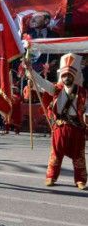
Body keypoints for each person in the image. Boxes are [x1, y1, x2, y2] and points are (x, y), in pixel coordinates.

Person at [26, 53, 87, 190]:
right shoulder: (55, 89)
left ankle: (80, 180)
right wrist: (30, 69)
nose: (66, 77)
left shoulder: (83, 92)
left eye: (69, 75)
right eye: (64, 75)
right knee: (56, 154)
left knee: (79, 156)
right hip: (60, 127)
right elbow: (41, 82)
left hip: (76, 127)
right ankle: (51, 176)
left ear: (74, 76)